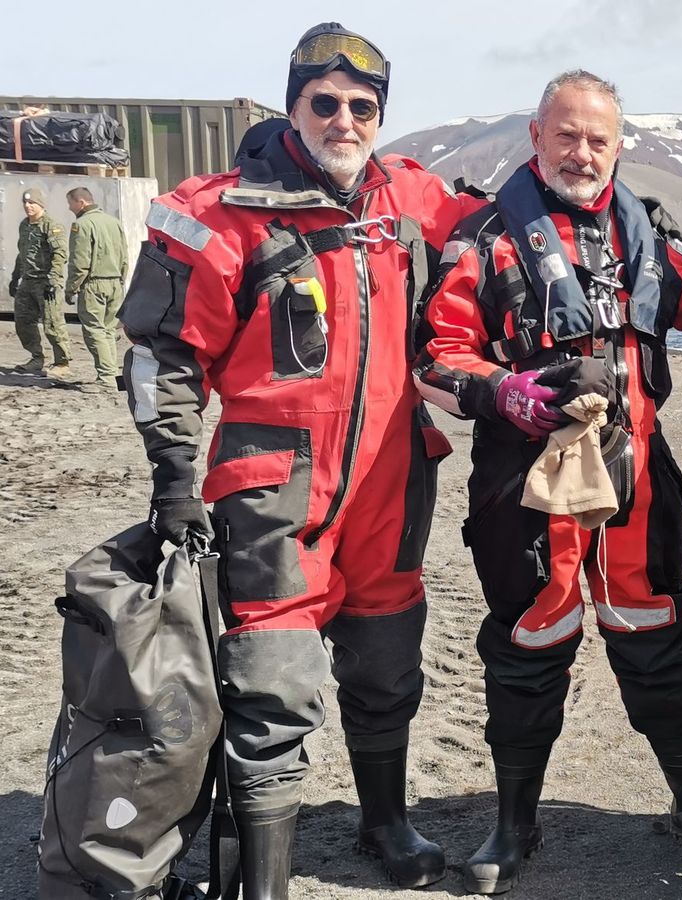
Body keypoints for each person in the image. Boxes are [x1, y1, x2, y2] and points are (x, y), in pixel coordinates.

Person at [118, 23, 480, 897]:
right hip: (273, 483)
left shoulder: (413, 199)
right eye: (326, 102)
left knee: (389, 661)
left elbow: (509, 232)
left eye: (363, 107)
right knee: (270, 681)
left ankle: (385, 822)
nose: (344, 121)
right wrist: (173, 478)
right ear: (293, 105)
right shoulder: (218, 211)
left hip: (394, 480)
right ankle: (265, 878)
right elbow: (162, 355)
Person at [415, 69, 682, 894]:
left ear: (619, 145)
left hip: (637, 475)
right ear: (536, 138)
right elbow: (435, 353)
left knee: (659, 635)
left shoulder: (649, 234)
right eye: (566, 135)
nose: (582, 152)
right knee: (529, 643)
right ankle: (512, 822)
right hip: (524, 482)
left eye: (598, 139)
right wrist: (500, 391)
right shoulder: (486, 234)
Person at [65, 186, 128, 392]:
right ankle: (111, 373)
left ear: (81, 202)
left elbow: (80, 261)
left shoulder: (82, 225)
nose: (69, 208)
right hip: (115, 282)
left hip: (93, 283)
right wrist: (121, 280)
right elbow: (124, 255)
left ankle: (106, 378)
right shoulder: (114, 222)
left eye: (70, 203)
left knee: (95, 331)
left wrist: (71, 287)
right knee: (109, 330)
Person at [8, 186, 72, 378]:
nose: (28, 206)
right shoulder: (24, 225)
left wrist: (53, 280)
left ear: (40, 204)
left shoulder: (51, 226)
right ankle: (36, 358)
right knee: (23, 322)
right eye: (25, 203)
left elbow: (60, 254)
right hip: (28, 281)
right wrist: (15, 277)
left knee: (52, 324)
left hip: (46, 282)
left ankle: (62, 362)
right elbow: (23, 253)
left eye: (32, 203)